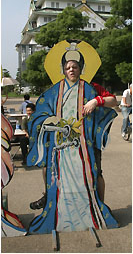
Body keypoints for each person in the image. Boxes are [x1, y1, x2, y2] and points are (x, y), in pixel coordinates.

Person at [27, 41, 118, 234]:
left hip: (85, 146)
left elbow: (112, 101)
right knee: (56, 177)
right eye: (68, 67)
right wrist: (52, 122)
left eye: (75, 67)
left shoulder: (91, 88)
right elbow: (39, 115)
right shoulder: (53, 92)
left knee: (94, 175)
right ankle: (55, 207)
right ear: (62, 69)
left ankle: (96, 204)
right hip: (60, 147)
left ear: (81, 68)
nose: (71, 70)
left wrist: (96, 101)